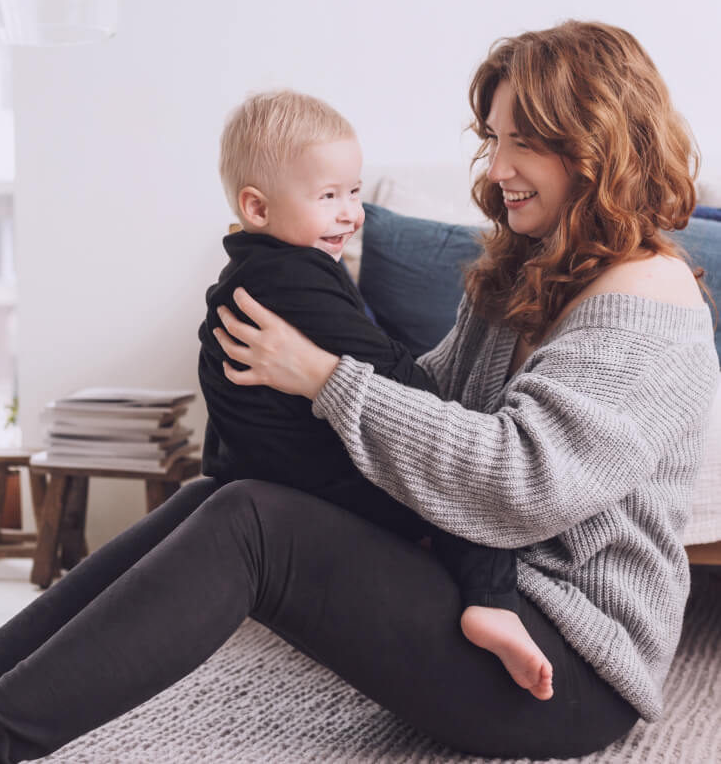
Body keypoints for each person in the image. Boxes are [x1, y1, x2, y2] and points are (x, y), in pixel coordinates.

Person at [0, 20, 717, 763]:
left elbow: (518, 481)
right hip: (488, 595)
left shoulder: (649, 300)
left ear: (594, 143)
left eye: (523, 141)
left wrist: (320, 373)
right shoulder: (527, 270)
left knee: (255, 523)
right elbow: (434, 401)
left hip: (567, 665)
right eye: (493, 139)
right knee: (221, 492)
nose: (496, 168)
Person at [199, 89, 552, 700]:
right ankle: (491, 600)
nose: (351, 214)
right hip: (310, 480)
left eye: (355, 192)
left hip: (264, 469)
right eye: (328, 196)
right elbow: (396, 377)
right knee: (455, 475)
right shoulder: (291, 277)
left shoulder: (250, 271)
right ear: (257, 207)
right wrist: (439, 406)